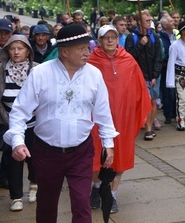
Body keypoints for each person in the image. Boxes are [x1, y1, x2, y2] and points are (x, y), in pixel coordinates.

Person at [3, 24, 118, 223]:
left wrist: (108, 144)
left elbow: (103, 112)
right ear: (64, 51)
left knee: (82, 205)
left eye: (87, 47)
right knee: (46, 206)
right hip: (46, 153)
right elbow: (20, 111)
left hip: (81, 151)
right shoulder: (40, 74)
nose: (87, 53)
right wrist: (18, 141)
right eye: (81, 48)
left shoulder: (94, 75)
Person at [88, 25, 151, 214]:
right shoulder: (91, 61)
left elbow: (139, 87)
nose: (109, 40)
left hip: (123, 117)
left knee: (120, 154)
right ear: (98, 41)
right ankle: (97, 186)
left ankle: (112, 194)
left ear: (117, 39)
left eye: (113, 37)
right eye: (105, 37)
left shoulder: (128, 60)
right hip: (97, 118)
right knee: (94, 154)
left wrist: (136, 111)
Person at [0, 35, 38, 212]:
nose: (16, 52)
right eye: (12, 48)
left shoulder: (37, 70)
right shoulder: (2, 70)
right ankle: (16, 197)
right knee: (13, 161)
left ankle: (34, 184)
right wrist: (8, 122)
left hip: (34, 124)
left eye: (20, 48)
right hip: (10, 125)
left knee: (34, 159)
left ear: (28, 51)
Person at [125, 11, 162, 141]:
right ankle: (147, 129)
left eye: (150, 20)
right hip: (139, 75)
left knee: (153, 101)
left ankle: (149, 126)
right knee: (145, 102)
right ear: (140, 22)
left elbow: (158, 57)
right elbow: (129, 57)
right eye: (147, 20)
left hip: (153, 75)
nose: (150, 22)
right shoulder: (132, 37)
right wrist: (140, 45)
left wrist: (155, 75)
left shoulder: (154, 36)